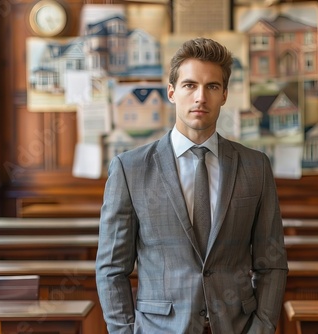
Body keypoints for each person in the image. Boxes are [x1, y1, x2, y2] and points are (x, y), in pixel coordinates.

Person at [96, 37, 288, 334]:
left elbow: (271, 262)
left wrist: (262, 326)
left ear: (224, 94)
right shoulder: (130, 169)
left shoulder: (256, 167)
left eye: (212, 86)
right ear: (171, 92)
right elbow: (112, 269)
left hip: (237, 326)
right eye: (190, 85)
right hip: (159, 328)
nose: (201, 97)